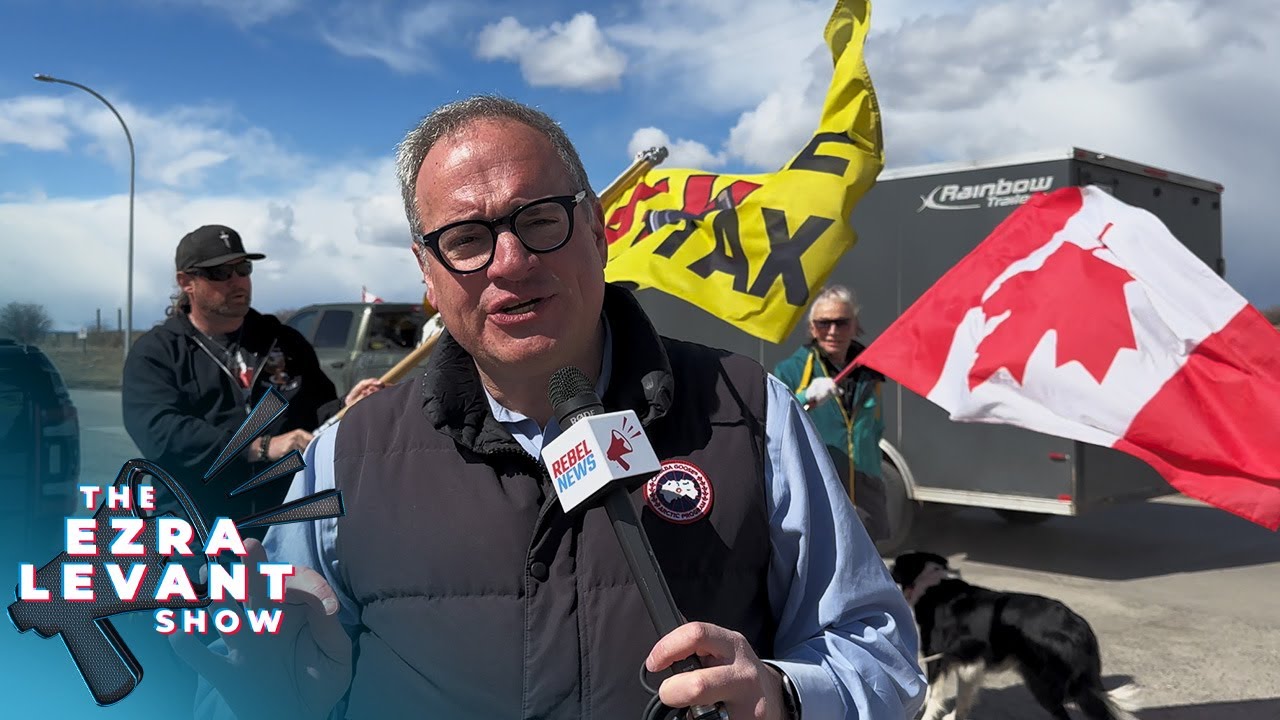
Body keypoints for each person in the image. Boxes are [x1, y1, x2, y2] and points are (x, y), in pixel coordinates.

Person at [179, 97, 925, 720]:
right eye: (465, 239)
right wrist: (260, 691)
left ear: (599, 231)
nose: (509, 262)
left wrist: (786, 694)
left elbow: (881, 655)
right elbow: (269, 679)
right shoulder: (347, 455)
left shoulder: (749, 412)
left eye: (539, 220)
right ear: (427, 276)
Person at [122, 224, 383, 538]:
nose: (237, 282)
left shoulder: (284, 341)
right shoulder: (158, 352)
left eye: (243, 269)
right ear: (186, 282)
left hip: (285, 524)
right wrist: (258, 448)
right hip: (194, 529)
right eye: (220, 273)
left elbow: (317, 412)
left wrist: (347, 409)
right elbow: (161, 432)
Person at [774, 286, 891, 542]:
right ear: (812, 328)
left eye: (841, 322)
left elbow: (875, 427)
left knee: (870, 562)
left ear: (855, 325)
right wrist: (805, 397)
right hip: (820, 484)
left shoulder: (871, 370)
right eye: (824, 323)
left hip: (865, 484)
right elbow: (775, 424)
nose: (833, 331)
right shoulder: (791, 370)